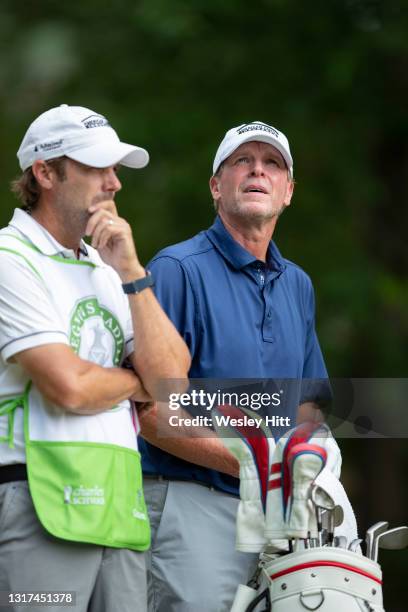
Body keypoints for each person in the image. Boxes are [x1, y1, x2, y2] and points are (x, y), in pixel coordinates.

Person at [0, 104, 190, 612]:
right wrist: (133, 383)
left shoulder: (109, 271)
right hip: (39, 504)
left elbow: (171, 382)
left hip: (118, 509)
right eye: (96, 167)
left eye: (116, 169)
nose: (114, 183)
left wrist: (131, 270)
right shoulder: (8, 259)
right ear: (45, 173)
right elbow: (70, 387)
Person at [138, 121, 328, 611]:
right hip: (191, 502)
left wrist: (307, 458)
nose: (257, 171)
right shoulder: (176, 270)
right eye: (242, 161)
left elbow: (308, 401)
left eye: (272, 164)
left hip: (280, 514)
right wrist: (256, 461)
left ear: (288, 192)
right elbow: (150, 413)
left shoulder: (297, 284)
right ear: (216, 186)